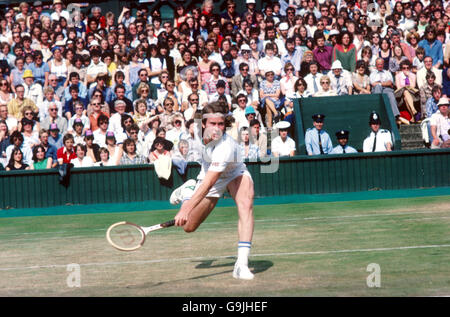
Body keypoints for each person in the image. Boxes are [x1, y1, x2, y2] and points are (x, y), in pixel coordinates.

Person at [169, 101, 256, 280]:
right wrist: (187, 208)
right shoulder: (198, 134)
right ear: (203, 124)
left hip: (234, 172)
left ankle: (241, 264)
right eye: (212, 124)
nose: (217, 128)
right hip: (208, 174)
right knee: (188, 227)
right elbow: (208, 180)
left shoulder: (226, 146)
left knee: (246, 204)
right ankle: (188, 191)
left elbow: (209, 183)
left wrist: (184, 210)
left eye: (221, 124)